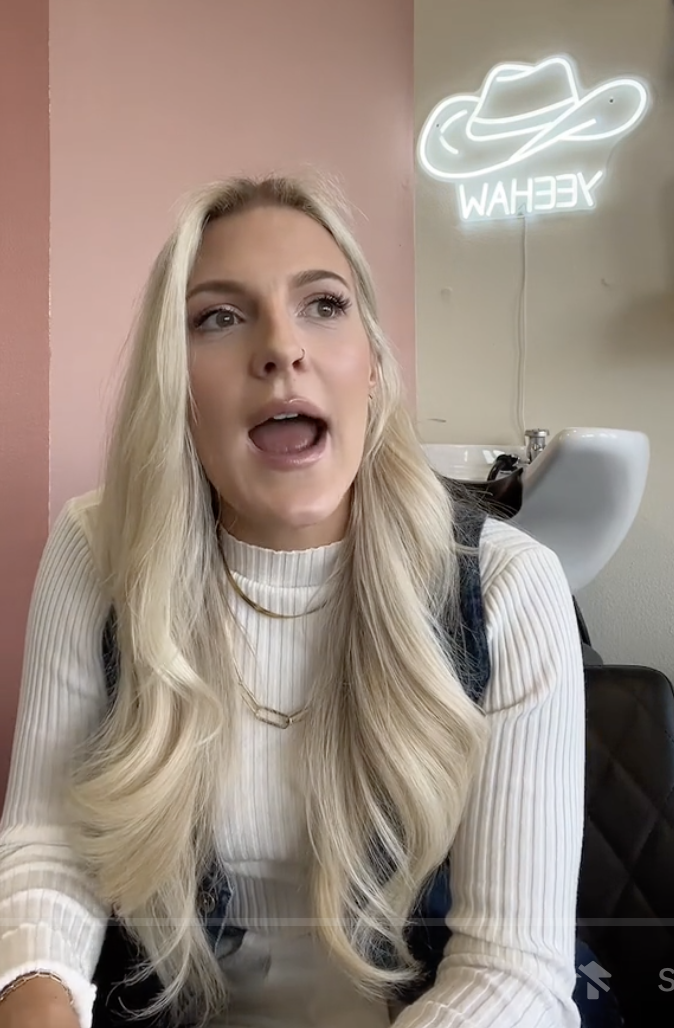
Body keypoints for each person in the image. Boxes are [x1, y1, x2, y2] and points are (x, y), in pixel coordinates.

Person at [0, 174, 586, 1028]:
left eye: (322, 304)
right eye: (220, 317)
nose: (281, 348)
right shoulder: (98, 551)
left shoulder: (508, 586)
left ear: (374, 371)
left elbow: (514, 972)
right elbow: (48, 844)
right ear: (178, 388)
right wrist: (37, 994)